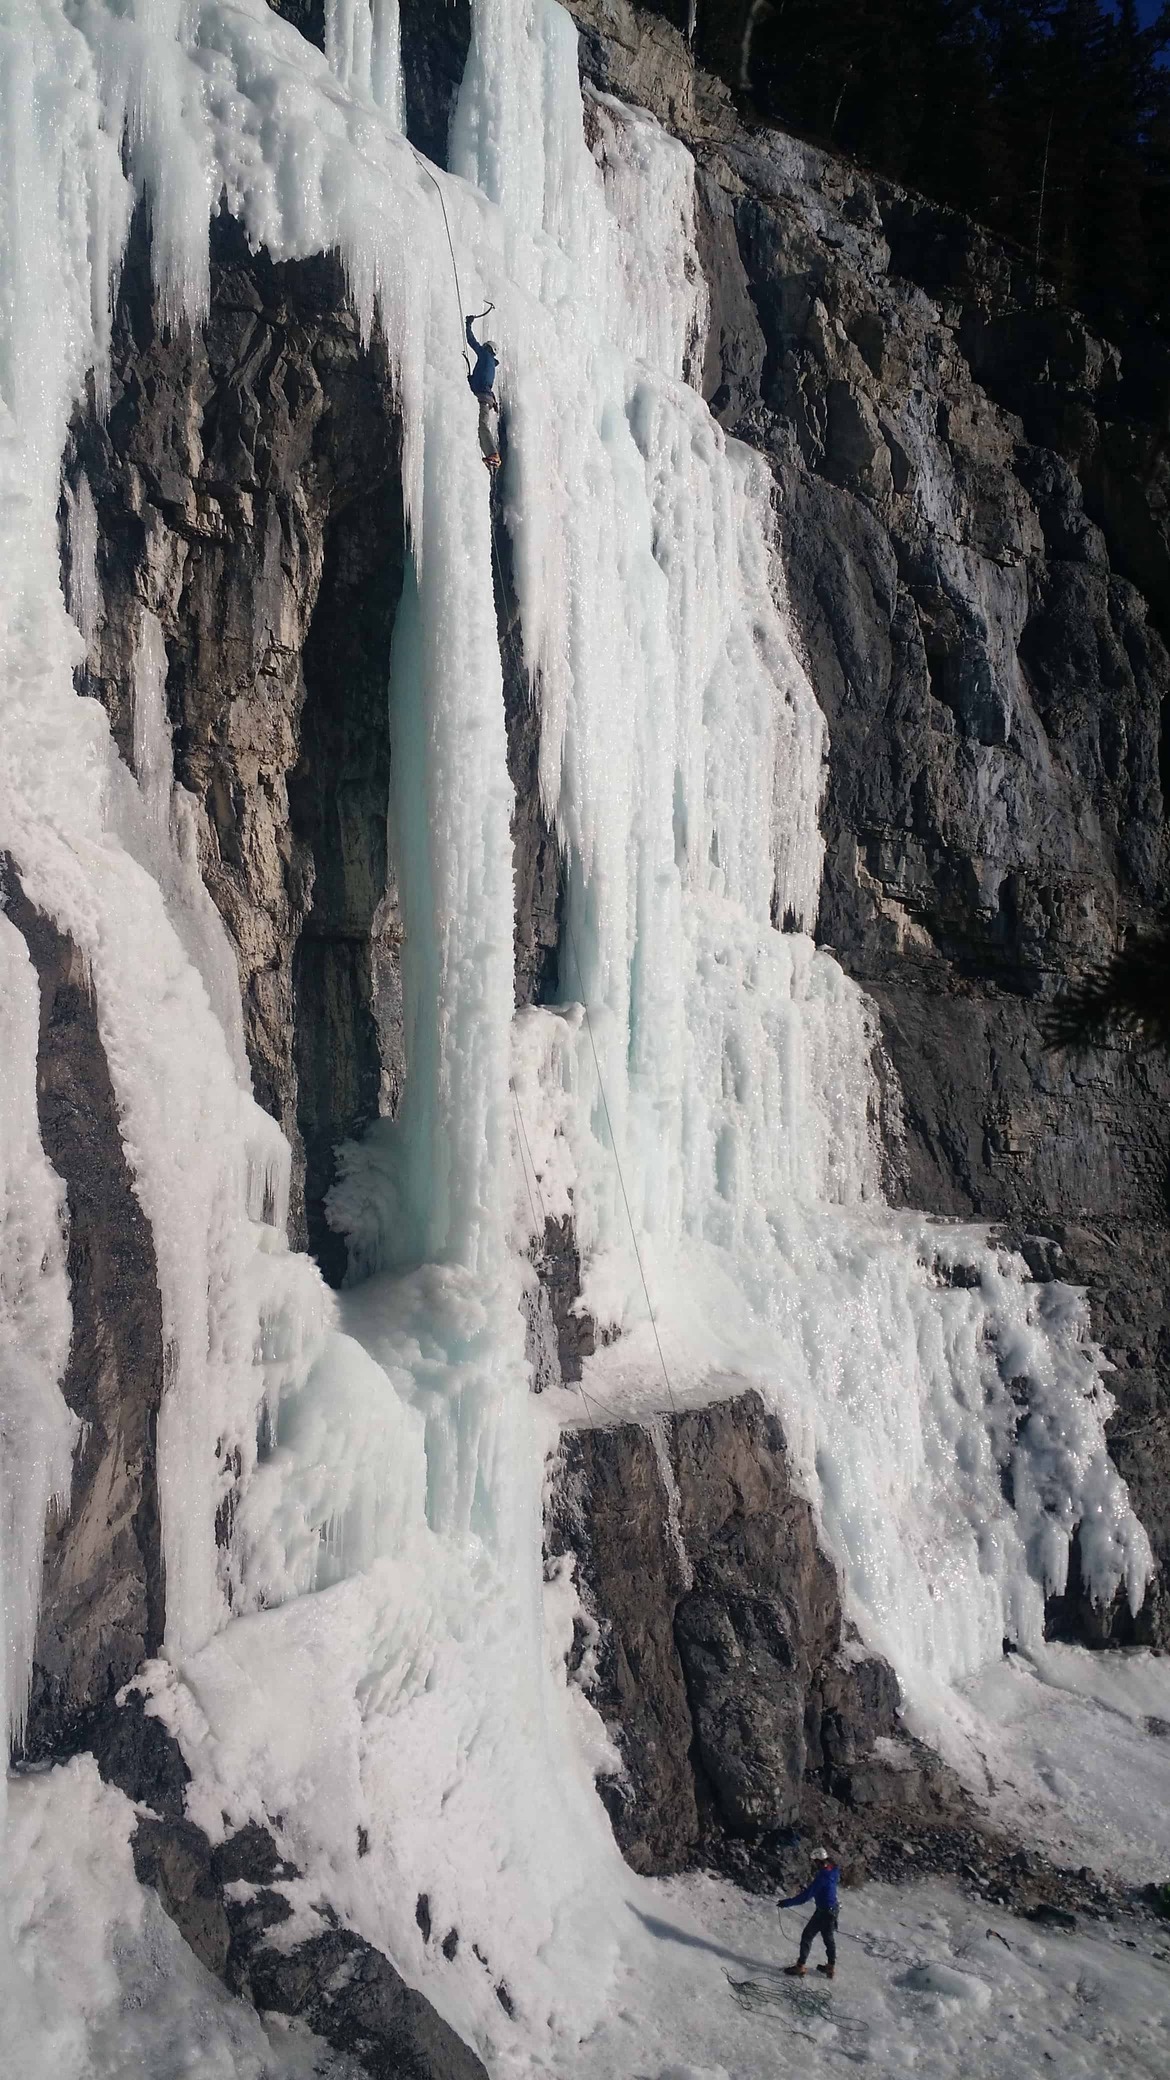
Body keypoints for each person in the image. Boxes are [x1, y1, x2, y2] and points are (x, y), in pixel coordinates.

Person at [779, 1847, 839, 1979]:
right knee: (829, 1939)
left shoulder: (822, 1877)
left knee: (807, 1936)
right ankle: (831, 1967)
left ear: (818, 1861)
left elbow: (805, 1897)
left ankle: (800, 1967)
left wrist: (786, 1903)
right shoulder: (834, 1869)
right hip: (833, 1910)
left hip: (823, 1913)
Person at [465, 312, 501, 471]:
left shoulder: (485, 356)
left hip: (482, 398)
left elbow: (472, 341)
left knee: (482, 425)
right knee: (480, 426)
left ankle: (493, 454)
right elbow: (483, 381)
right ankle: (490, 454)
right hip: (486, 397)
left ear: (488, 349)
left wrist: (468, 324)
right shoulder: (491, 365)